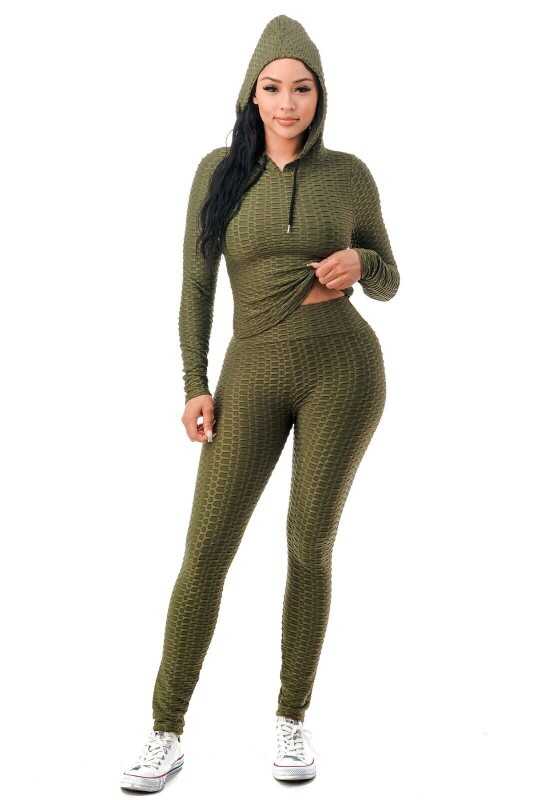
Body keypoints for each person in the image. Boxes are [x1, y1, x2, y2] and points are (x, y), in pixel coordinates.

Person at [120, 13, 400, 792]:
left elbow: (389, 280)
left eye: (301, 88)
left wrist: (363, 259)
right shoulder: (220, 172)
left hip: (342, 370)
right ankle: (164, 731)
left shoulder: (349, 175)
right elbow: (196, 285)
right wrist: (194, 383)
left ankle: (291, 717)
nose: (286, 103)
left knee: (308, 542)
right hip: (249, 373)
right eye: (272, 88)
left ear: (319, 95)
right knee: (206, 548)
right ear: (250, 94)